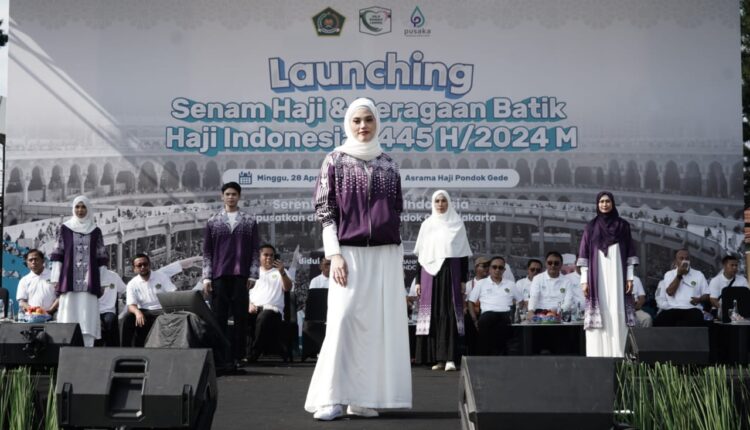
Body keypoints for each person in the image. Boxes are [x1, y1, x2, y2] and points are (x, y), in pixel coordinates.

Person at [305, 98, 411, 421]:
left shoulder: (389, 165)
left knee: (375, 326)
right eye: (356, 120)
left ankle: (362, 398)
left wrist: (395, 254)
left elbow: (396, 210)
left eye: (368, 120)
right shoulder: (335, 160)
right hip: (348, 253)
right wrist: (334, 254)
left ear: (377, 123)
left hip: (384, 254)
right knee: (343, 320)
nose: (363, 126)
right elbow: (325, 211)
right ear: (348, 124)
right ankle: (331, 398)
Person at [203, 181, 260, 368]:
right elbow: (207, 252)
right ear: (222, 196)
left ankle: (238, 356)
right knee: (218, 317)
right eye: (227, 194)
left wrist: (253, 274)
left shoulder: (249, 221)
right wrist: (206, 277)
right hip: (219, 275)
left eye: (234, 194)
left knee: (240, 318)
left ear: (239, 196)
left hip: (241, 275)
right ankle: (220, 357)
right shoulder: (213, 221)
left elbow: (255, 250)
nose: (231, 197)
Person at [413, 190, 472, 372]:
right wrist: (418, 281)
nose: (440, 204)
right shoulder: (427, 225)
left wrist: (463, 280)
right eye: (437, 201)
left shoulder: (457, 224)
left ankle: (450, 358)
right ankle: (437, 359)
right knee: (433, 313)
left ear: (449, 203)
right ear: (433, 203)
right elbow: (420, 256)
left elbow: (463, 255)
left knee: (449, 312)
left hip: (451, 272)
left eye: (443, 201)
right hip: (429, 275)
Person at [577, 191, 638, 357]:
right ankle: (597, 356)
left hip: (618, 274)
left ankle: (618, 355)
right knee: (601, 309)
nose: (604, 204)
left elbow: (630, 252)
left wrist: (629, 277)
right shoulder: (591, 227)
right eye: (601, 201)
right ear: (597, 204)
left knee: (616, 308)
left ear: (613, 203)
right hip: (597, 276)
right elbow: (584, 255)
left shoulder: (623, 226)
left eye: (608, 201)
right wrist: (584, 280)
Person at [50, 196, 108, 347]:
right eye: (77, 207)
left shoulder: (96, 231)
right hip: (68, 281)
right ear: (73, 208)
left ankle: (88, 349)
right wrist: (56, 279)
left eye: (83, 207)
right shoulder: (64, 229)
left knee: (87, 316)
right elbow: (58, 255)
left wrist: (103, 282)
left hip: (90, 281)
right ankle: (67, 348)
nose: (80, 210)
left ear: (88, 209)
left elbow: (101, 258)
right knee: (68, 314)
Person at [247, 244, 293, 361]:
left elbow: (287, 288)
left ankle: (254, 354)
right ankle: (238, 354)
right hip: (254, 309)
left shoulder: (281, 272)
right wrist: (249, 304)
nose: (269, 258)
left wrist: (282, 272)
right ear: (259, 257)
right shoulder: (252, 273)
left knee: (264, 317)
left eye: (271, 255)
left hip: (272, 311)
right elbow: (245, 293)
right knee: (239, 317)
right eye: (266, 255)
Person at [467, 256, 520, 355]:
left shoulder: (511, 284)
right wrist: (474, 320)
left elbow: (520, 301)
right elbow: (470, 302)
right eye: (494, 267)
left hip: (506, 314)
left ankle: (500, 355)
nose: (497, 270)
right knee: (486, 321)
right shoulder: (481, 283)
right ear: (490, 269)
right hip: (487, 314)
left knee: (505, 326)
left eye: (500, 267)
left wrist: (518, 314)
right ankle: (484, 356)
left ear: (504, 270)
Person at [654, 249, 709, 326]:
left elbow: (706, 295)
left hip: (692, 308)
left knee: (695, 320)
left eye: (687, 258)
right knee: (660, 321)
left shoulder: (699, 274)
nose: (685, 261)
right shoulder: (669, 274)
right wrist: (679, 275)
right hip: (672, 308)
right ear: (676, 261)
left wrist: (699, 299)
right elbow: (670, 292)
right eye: (681, 258)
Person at [17, 249, 58, 316]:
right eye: (30, 260)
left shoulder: (54, 276)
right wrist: (33, 310)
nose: (33, 262)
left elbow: (61, 297)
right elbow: (22, 302)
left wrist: (50, 310)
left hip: (53, 316)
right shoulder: (24, 280)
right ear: (27, 263)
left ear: (43, 261)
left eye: (36, 259)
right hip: (32, 316)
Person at [463, 257, 490, 356]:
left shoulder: (491, 283)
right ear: (476, 268)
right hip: (473, 314)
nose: (487, 269)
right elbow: (465, 302)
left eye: (488, 266)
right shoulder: (469, 284)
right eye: (484, 266)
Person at [98, 268, 127, 346]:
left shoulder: (114, 276)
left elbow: (125, 290)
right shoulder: (88, 276)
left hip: (108, 311)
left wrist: (125, 310)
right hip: (91, 311)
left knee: (110, 321)